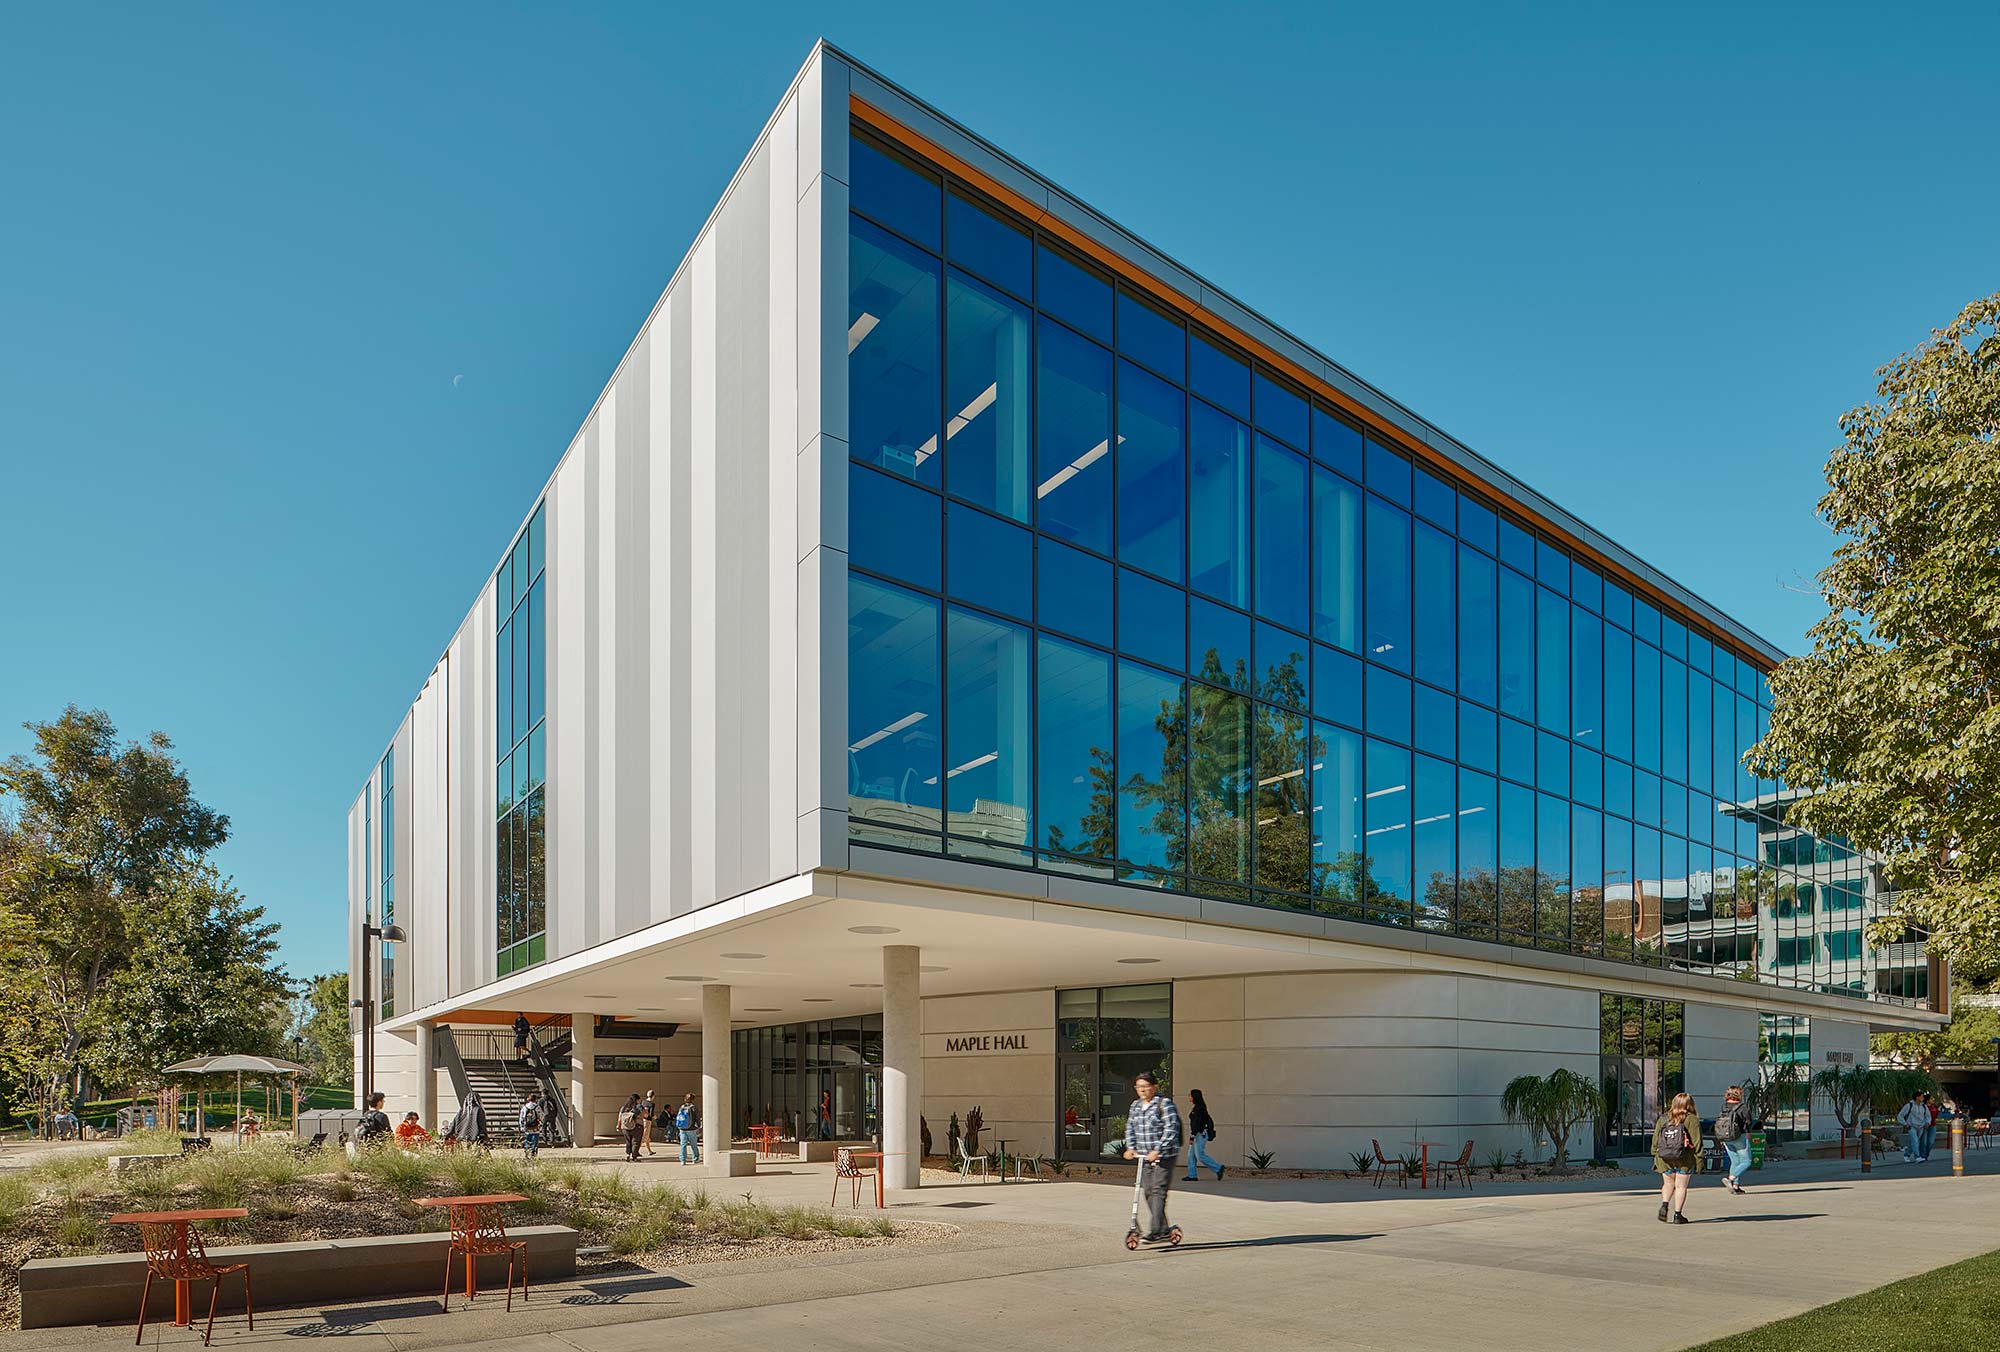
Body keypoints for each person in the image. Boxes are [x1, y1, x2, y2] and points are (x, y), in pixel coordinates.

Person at [1121, 1070, 1181, 1243]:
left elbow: (1171, 1129)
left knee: (1158, 1191)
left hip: (1165, 1156)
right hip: (1144, 1156)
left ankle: (1155, 1231)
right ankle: (1163, 1229)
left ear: (1154, 1087)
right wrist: (1130, 1147)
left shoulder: (1164, 1104)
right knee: (1148, 1192)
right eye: (1139, 1087)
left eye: (1146, 1086)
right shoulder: (1135, 1106)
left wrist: (1159, 1149)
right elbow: (1130, 1128)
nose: (1142, 1090)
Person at [1653, 1091, 1700, 1223]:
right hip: (1684, 1158)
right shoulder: (1691, 1119)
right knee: (1680, 1186)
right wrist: (1700, 1160)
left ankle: (1664, 1204)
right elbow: (1697, 1142)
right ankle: (1677, 1215)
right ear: (1690, 1104)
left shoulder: (1663, 1118)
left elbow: (1655, 1140)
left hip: (1665, 1157)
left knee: (1668, 1183)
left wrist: (1655, 1155)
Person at [1713, 1086, 1752, 1194]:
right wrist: (1748, 1132)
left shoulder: (1724, 1106)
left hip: (1726, 1137)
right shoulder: (1742, 1107)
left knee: (1735, 1161)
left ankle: (1735, 1186)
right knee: (1746, 1161)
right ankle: (1731, 1179)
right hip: (1740, 1136)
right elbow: (1748, 1121)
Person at [1183, 1088, 1226, 1182]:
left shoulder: (1199, 1109)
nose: (1188, 1097)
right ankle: (1192, 1175)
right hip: (1198, 1134)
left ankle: (1218, 1168)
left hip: (1200, 1134)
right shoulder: (1198, 1107)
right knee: (1191, 1155)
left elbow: (1197, 1124)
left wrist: (1192, 1136)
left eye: (1190, 1095)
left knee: (1200, 1155)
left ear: (1194, 1097)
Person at [1898, 1092, 1928, 1162]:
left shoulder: (1924, 1106)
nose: (1923, 1098)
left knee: (1915, 1141)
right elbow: (1900, 1115)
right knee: (1915, 1141)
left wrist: (1927, 1122)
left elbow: (1927, 1116)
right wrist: (1905, 1124)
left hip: (1921, 1127)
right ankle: (1917, 1157)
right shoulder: (1909, 1106)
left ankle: (1906, 1154)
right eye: (1921, 1096)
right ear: (1917, 1097)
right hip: (1912, 1126)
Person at [675, 1093, 702, 1164]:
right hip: (691, 1128)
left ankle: (683, 1160)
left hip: (682, 1128)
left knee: (683, 1144)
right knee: (693, 1144)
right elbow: (697, 1118)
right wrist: (698, 1126)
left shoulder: (682, 1107)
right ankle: (695, 1159)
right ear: (692, 1099)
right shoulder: (694, 1107)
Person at [618, 1093, 644, 1161]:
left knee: (628, 1141)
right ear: (637, 1100)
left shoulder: (624, 1107)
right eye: (639, 1100)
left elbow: (620, 1117)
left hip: (625, 1127)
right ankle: (634, 1157)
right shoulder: (638, 1107)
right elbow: (646, 1115)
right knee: (635, 1142)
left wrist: (618, 1125)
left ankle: (628, 1155)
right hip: (636, 1126)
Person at [1921, 1092, 1939, 1162]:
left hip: (1932, 1125)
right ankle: (1923, 1155)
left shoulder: (1933, 1106)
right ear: (1927, 1100)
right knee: (1924, 1142)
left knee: (1931, 1142)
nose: (1933, 1100)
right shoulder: (1923, 1107)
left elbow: (1934, 1116)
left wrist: (1938, 1111)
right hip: (1925, 1126)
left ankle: (1926, 1154)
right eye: (1931, 1099)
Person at [640, 1089, 658, 1156]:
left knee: (647, 1137)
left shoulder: (643, 1102)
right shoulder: (652, 1104)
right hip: (648, 1120)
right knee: (645, 1136)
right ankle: (636, 1151)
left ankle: (650, 1151)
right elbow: (651, 1113)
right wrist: (655, 1117)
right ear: (653, 1096)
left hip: (643, 1119)